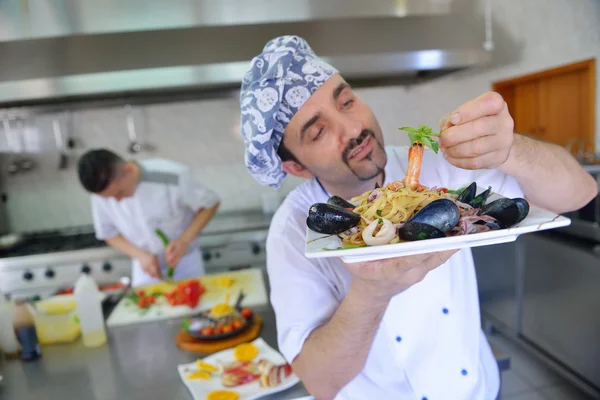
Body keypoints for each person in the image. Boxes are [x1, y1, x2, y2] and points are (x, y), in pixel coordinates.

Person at [239, 36, 597, 400]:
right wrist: (371, 292)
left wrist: (511, 149)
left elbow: (579, 192)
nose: (351, 128)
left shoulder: (440, 165)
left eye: (346, 101)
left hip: (478, 390)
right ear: (296, 166)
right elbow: (321, 383)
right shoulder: (291, 231)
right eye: (318, 131)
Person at [77, 149, 220, 287]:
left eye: (119, 193)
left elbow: (210, 204)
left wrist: (184, 240)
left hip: (186, 262)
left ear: (129, 169)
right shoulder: (100, 193)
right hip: (145, 267)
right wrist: (141, 256)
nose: (118, 200)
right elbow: (109, 234)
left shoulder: (171, 175)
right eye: (110, 198)